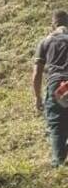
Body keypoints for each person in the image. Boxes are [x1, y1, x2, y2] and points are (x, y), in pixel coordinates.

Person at [33, 10, 68, 167]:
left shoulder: (46, 42)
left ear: (53, 25)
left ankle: (58, 164)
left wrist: (38, 97)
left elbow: (37, 73)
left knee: (56, 126)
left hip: (56, 86)